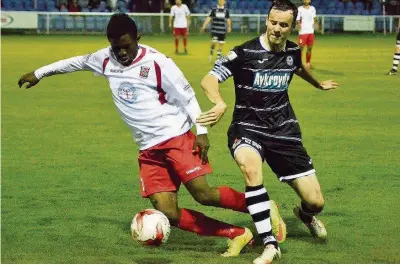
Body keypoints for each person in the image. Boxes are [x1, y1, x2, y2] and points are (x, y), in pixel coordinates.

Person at [18, 13, 258, 257]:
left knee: (204, 194)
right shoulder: (105, 59)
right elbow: (75, 62)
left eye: (126, 46)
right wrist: (39, 73)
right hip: (148, 150)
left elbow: (187, 96)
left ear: (137, 39)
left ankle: (261, 208)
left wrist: (202, 131)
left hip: (176, 137)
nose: (121, 53)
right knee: (168, 213)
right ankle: (237, 233)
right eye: (116, 47)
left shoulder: (157, 62)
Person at [196, 0, 339, 263]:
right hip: (247, 127)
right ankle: (270, 244)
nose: (276, 29)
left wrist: (318, 84)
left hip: (284, 131)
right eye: (272, 22)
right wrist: (218, 102)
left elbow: (298, 67)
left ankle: (305, 216)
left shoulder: (293, 51)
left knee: (316, 201)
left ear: (292, 26)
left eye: (283, 25)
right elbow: (209, 79)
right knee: (251, 170)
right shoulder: (244, 53)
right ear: (267, 20)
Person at [296, 0, 318, 69]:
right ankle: (298, 64)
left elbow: (314, 18)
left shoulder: (312, 8)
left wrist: (316, 24)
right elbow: (298, 20)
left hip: (311, 32)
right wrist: (299, 25)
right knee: (300, 49)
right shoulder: (300, 9)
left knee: (310, 48)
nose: (306, 0)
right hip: (303, 32)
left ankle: (308, 63)